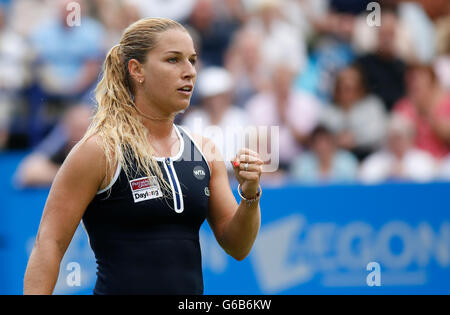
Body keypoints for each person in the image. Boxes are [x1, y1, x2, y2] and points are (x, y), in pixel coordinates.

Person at [23, 18, 263, 295]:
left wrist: (249, 195)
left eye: (192, 60)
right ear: (137, 70)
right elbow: (49, 243)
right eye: (173, 60)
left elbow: (238, 246)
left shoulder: (204, 150)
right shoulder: (101, 150)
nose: (189, 72)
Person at [320, 64, 387, 161]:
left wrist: (356, 139)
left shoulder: (372, 105)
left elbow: (379, 132)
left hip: (369, 156)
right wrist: (336, 140)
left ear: (361, 87)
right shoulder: (328, 110)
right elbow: (321, 136)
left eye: (352, 88)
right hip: (336, 159)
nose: (347, 92)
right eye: (343, 88)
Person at [14, 104, 92, 187]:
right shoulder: (60, 151)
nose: (83, 135)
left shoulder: (101, 155)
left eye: (87, 129)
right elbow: (27, 174)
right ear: (66, 129)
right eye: (78, 129)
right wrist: (74, 176)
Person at [359, 114, 437, 184]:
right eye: (392, 138)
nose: (396, 142)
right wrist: (387, 173)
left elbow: (429, 181)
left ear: (410, 138)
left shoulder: (423, 159)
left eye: (399, 137)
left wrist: (406, 173)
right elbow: (366, 179)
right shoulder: (375, 161)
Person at [290, 125, 359, 184]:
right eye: (318, 144)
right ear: (312, 146)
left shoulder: (347, 162)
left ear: (333, 143)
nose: (322, 147)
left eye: (326, 143)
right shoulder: (301, 164)